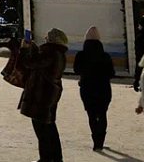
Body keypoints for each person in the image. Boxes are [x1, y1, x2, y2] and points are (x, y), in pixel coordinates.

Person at [19, 27, 69, 162]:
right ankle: (56, 158)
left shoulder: (50, 52)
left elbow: (30, 63)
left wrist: (24, 49)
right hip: (49, 94)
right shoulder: (58, 53)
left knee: (42, 131)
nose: (45, 38)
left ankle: (46, 159)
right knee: (49, 127)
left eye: (47, 37)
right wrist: (33, 47)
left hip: (41, 95)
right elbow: (38, 61)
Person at [74, 26, 116, 151]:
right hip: (103, 88)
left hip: (87, 88)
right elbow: (111, 73)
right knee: (102, 114)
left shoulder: (81, 55)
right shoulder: (105, 56)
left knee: (91, 115)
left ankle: (95, 140)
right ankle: (101, 140)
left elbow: (76, 70)